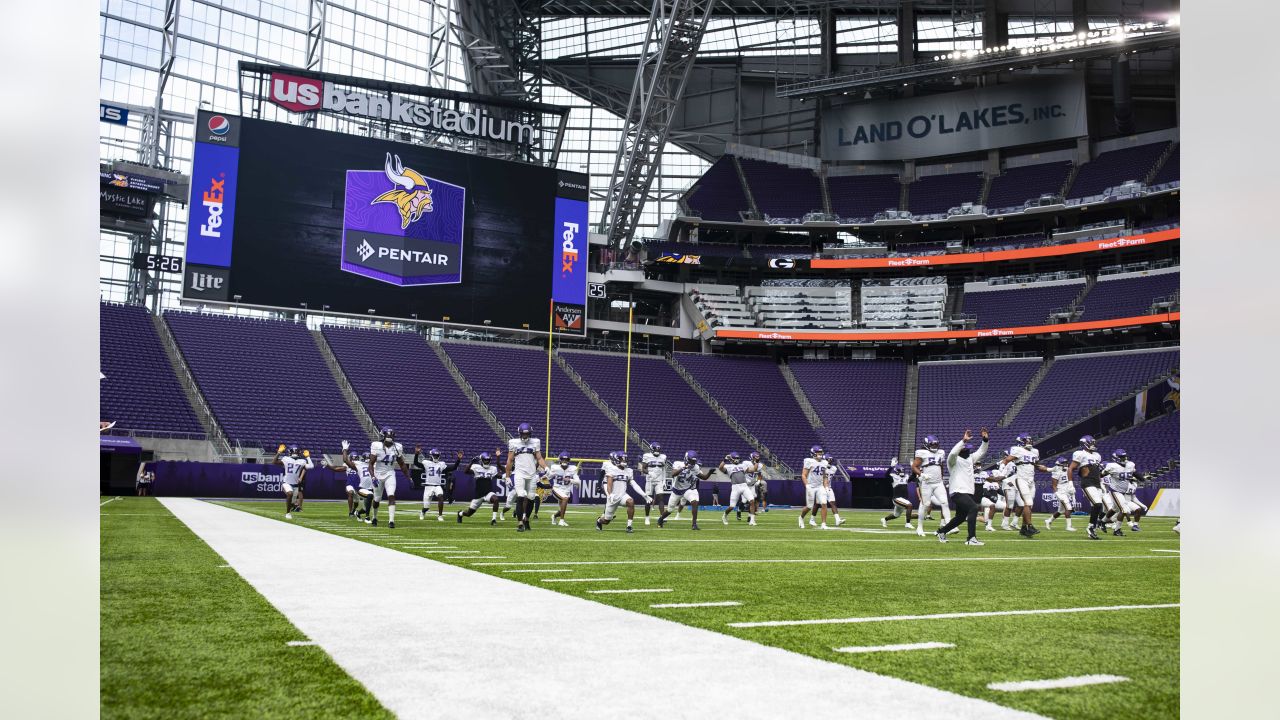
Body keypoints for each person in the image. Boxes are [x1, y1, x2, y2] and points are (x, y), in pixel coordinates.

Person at [934, 429, 988, 546]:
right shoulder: (953, 460)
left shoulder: (970, 458)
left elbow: (982, 451)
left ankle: (941, 532)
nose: (968, 450)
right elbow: (953, 453)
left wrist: (985, 440)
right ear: (961, 449)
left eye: (968, 448)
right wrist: (963, 441)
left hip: (967, 492)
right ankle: (971, 538)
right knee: (973, 508)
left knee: (961, 517)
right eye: (965, 448)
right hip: (957, 491)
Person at [506, 422, 549, 532]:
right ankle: (520, 523)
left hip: (532, 474)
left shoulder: (535, 442)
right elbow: (510, 460)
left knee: (531, 497)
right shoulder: (513, 443)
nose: (525, 436)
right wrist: (507, 476)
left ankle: (526, 519)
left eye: (527, 434)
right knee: (521, 495)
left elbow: (539, 458)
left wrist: (546, 467)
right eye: (523, 434)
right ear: (520, 433)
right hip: (519, 473)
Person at [596, 451, 651, 533]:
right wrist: (610, 494)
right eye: (622, 460)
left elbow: (634, 484)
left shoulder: (629, 471)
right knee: (606, 521)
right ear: (616, 460)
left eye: (625, 460)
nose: (624, 461)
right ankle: (599, 521)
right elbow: (609, 484)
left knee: (631, 502)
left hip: (622, 496)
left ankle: (629, 526)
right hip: (613, 497)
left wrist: (644, 495)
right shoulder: (611, 469)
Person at [657, 451, 711, 530]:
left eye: (694, 461)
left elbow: (704, 477)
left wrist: (709, 472)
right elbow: (673, 474)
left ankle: (694, 524)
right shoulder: (678, 463)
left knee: (695, 502)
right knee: (669, 510)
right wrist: (683, 468)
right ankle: (660, 519)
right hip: (676, 490)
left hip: (687, 489)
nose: (693, 463)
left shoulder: (695, 467)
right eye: (691, 461)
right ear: (686, 459)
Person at [370, 428, 411, 529]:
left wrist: (409, 478)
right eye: (387, 435)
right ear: (383, 436)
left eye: (391, 436)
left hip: (390, 473)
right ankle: (374, 517)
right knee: (377, 499)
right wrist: (373, 476)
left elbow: (402, 464)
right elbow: (370, 463)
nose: (389, 437)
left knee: (391, 495)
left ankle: (391, 521)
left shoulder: (398, 447)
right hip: (378, 474)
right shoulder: (376, 445)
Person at [1071, 435, 1110, 540]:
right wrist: (1071, 483)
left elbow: (1097, 471)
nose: (1093, 444)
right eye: (1091, 442)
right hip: (1087, 482)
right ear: (1084, 443)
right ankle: (1091, 527)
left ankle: (1092, 528)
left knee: (1097, 506)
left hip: (1097, 483)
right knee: (1097, 504)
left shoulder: (1097, 455)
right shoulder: (1079, 453)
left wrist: (1101, 482)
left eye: (1093, 442)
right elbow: (1071, 469)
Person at [1005, 433, 1042, 537]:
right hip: (1021, 479)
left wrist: (1047, 469)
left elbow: (1036, 465)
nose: (1029, 442)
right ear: (1021, 442)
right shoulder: (1017, 450)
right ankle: (1029, 526)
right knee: (1028, 502)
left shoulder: (1035, 451)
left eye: (1030, 440)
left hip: (1031, 480)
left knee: (1029, 505)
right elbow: (1007, 460)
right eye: (1026, 440)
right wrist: (1001, 472)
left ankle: (1023, 528)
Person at [913, 435, 951, 537]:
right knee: (925, 504)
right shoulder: (921, 452)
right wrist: (922, 474)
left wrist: (942, 478)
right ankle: (919, 527)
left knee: (944, 502)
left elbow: (941, 466)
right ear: (926, 444)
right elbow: (914, 466)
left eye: (936, 444)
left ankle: (949, 525)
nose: (934, 446)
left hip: (938, 483)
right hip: (927, 483)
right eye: (932, 444)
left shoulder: (941, 452)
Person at [1102, 449, 1144, 535]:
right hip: (1115, 491)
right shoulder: (1111, 466)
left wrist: (1142, 479)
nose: (1124, 459)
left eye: (1124, 456)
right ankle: (1117, 530)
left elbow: (1134, 473)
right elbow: (1101, 475)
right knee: (1124, 510)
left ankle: (1101, 521)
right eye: (1122, 457)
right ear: (1116, 458)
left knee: (1114, 509)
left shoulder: (1130, 464)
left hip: (1123, 492)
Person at [458, 450, 503, 525]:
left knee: (496, 499)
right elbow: (466, 471)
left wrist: (507, 476)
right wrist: (471, 462)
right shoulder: (476, 467)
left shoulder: (492, 468)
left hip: (488, 493)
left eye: (488, 460)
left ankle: (493, 520)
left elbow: (499, 476)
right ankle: (460, 514)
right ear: (481, 460)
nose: (486, 461)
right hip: (478, 495)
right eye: (485, 460)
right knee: (469, 513)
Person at [417, 448, 463, 521]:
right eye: (434, 455)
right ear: (431, 455)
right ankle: (423, 512)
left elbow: (453, 467)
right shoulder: (426, 463)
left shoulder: (441, 464)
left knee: (441, 496)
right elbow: (416, 463)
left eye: (437, 455)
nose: (436, 457)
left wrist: (458, 459)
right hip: (428, 486)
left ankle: (440, 516)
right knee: (426, 507)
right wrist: (416, 454)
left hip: (437, 485)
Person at [273, 444, 313, 520]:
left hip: (295, 485)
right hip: (286, 482)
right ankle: (288, 513)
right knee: (289, 493)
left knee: (292, 502)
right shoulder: (286, 459)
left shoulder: (301, 461)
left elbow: (311, 466)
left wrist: (308, 457)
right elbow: (274, 462)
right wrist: (279, 452)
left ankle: (293, 507)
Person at [319, 441, 360, 517]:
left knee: (356, 501)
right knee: (350, 493)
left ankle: (354, 510)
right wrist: (328, 465)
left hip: (358, 485)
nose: (354, 460)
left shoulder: (360, 465)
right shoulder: (347, 465)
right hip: (350, 483)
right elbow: (336, 469)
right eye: (353, 458)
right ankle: (350, 511)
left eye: (356, 458)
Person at [718, 452, 758, 527]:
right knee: (732, 506)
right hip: (735, 487)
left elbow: (754, 469)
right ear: (731, 459)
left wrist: (757, 461)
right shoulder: (728, 466)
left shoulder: (742, 465)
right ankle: (724, 516)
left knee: (752, 501)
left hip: (744, 486)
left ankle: (752, 521)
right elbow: (720, 468)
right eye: (735, 458)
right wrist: (724, 460)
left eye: (737, 458)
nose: (737, 459)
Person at [547, 452, 580, 526]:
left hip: (566, 490)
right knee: (565, 499)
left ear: (569, 460)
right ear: (560, 460)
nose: (564, 461)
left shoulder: (573, 468)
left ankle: (554, 516)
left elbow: (578, 482)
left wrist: (570, 480)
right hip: (557, 488)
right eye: (563, 459)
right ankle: (561, 521)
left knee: (562, 509)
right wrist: (544, 478)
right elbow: (548, 477)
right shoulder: (555, 467)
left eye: (566, 459)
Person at [1043, 457, 1076, 531]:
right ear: (1059, 465)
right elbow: (1054, 485)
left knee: (1060, 511)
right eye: (1064, 463)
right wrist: (1057, 494)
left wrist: (1071, 487)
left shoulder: (1067, 470)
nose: (1066, 464)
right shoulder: (1056, 472)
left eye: (1066, 463)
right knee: (1068, 507)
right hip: (1060, 492)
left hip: (1067, 490)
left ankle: (1048, 521)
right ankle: (1068, 526)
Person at [799, 445, 828, 529]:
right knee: (809, 506)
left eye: (820, 452)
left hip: (820, 486)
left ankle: (823, 524)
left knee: (824, 503)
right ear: (813, 453)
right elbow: (803, 475)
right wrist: (807, 485)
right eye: (818, 453)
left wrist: (826, 486)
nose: (820, 454)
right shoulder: (809, 461)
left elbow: (825, 476)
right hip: (811, 486)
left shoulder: (825, 462)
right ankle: (801, 518)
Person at [640, 443, 669, 526]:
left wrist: (664, 480)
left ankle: (662, 517)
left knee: (661, 497)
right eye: (656, 449)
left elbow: (663, 469)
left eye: (658, 449)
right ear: (652, 449)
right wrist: (649, 472)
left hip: (659, 480)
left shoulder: (663, 457)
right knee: (648, 499)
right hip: (650, 480)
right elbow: (643, 469)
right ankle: (647, 517)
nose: (657, 451)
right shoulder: (647, 456)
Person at [882, 464, 916, 528]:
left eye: (903, 471)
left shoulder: (906, 477)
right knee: (909, 505)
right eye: (900, 471)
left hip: (903, 499)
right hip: (896, 498)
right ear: (896, 471)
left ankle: (884, 519)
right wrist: (891, 466)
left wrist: (913, 467)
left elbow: (913, 476)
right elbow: (886, 475)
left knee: (896, 515)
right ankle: (907, 523)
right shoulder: (893, 477)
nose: (902, 472)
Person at [743, 452, 766, 523]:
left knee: (753, 500)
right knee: (744, 501)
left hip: (752, 485)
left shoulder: (760, 465)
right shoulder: (746, 463)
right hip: (744, 485)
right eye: (755, 457)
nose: (757, 459)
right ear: (751, 457)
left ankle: (750, 516)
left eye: (757, 457)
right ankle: (739, 511)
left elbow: (759, 474)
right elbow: (753, 470)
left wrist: (759, 480)